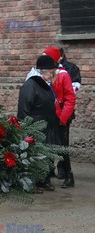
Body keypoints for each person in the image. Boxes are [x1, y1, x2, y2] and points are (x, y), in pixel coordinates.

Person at [18, 55, 62, 192]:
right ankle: (32, 183)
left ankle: (44, 180)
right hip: (35, 127)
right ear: (43, 71)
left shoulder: (44, 84)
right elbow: (23, 109)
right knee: (35, 156)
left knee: (46, 154)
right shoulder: (31, 84)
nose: (52, 76)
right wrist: (26, 129)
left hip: (47, 126)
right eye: (50, 72)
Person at [41, 47, 76, 187]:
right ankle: (49, 171)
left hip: (61, 117)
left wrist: (63, 118)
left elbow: (70, 98)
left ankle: (69, 175)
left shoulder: (63, 75)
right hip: (49, 116)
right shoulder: (44, 74)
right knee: (48, 144)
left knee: (62, 147)